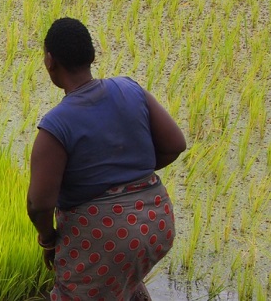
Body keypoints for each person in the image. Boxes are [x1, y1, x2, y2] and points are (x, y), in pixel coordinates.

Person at [27, 17, 187, 300]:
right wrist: (131, 175)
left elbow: (39, 204)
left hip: (107, 237)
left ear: (50, 61)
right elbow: (175, 144)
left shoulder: (55, 126)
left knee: (75, 293)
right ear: (91, 55)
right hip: (157, 223)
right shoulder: (130, 88)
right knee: (124, 282)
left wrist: (48, 238)